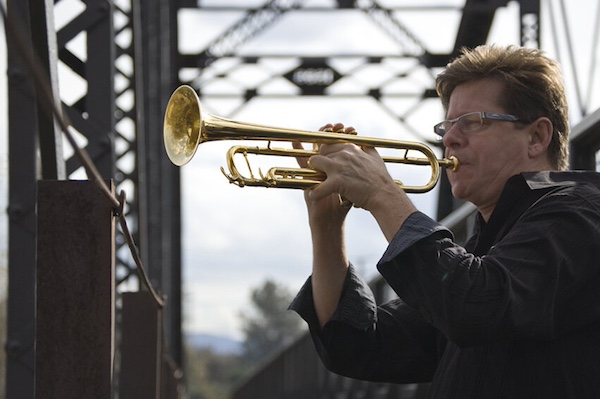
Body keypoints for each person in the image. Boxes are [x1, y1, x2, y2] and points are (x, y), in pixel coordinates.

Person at [289, 44, 600, 398]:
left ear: (536, 137)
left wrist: (383, 194)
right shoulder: (487, 248)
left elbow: (475, 304)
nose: (449, 139)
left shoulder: (581, 214)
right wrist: (327, 227)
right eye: (447, 126)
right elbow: (360, 346)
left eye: (472, 122)